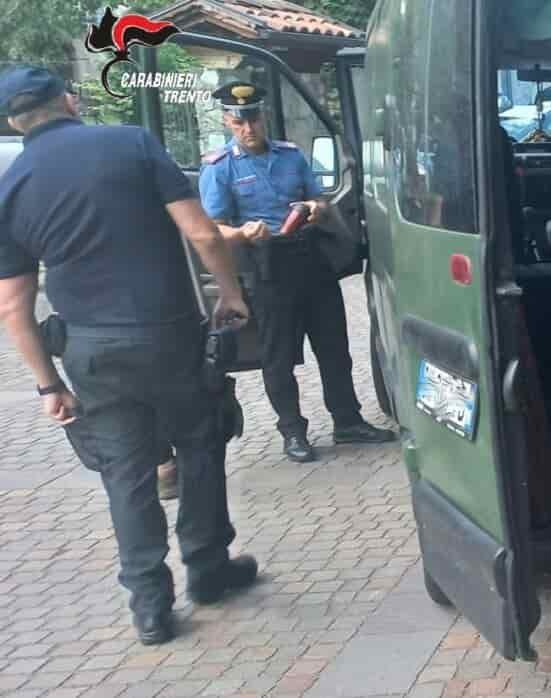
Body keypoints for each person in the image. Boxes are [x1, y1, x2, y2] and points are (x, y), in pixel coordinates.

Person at [0, 65, 259, 645]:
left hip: (91, 351)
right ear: (68, 100)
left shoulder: (9, 188)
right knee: (199, 443)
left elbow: (12, 308)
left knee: (125, 473)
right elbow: (203, 234)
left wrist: (48, 386)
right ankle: (209, 569)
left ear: (15, 121)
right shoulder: (130, 142)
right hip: (168, 335)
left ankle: (149, 605)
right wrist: (232, 296)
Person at [199, 80, 394, 463]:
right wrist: (240, 232)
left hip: (310, 258)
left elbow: (316, 196)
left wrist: (317, 207)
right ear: (227, 120)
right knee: (279, 356)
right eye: (238, 121)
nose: (247, 127)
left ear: (263, 115)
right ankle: (292, 431)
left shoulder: (290, 156)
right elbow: (212, 230)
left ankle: (347, 421)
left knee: (334, 347)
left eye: (253, 117)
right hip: (267, 265)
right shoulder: (219, 168)